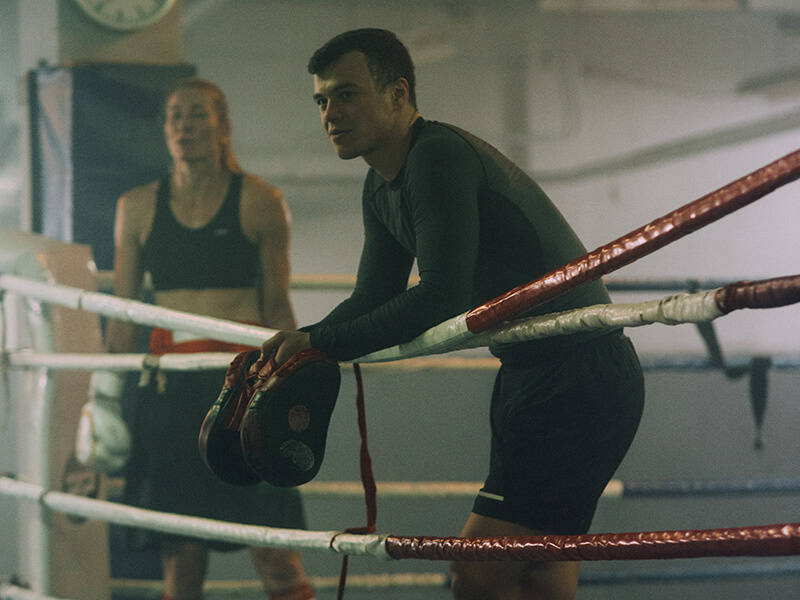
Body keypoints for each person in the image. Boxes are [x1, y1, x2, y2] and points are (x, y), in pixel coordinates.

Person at [260, 29, 646, 600]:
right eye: (321, 100)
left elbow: (442, 296)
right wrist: (308, 339)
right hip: (529, 375)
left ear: (398, 94)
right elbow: (375, 296)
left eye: (345, 93)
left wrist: (320, 346)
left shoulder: (436, 156)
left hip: (578, 375)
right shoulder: (380, 183)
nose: (330, 112)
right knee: (541, 571)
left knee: (479, 570)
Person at [100, 77, 315, 600]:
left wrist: (289, 388)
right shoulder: (138, 207)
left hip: (243, 388)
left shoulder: (261, 201)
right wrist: (102, 396)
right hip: (172, 396)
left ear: (222, 126)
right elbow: (121, 313)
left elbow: (277, 308)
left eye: (197, 114)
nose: (183, 126)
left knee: (277, 557)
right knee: (182, 568)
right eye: (174, 116)